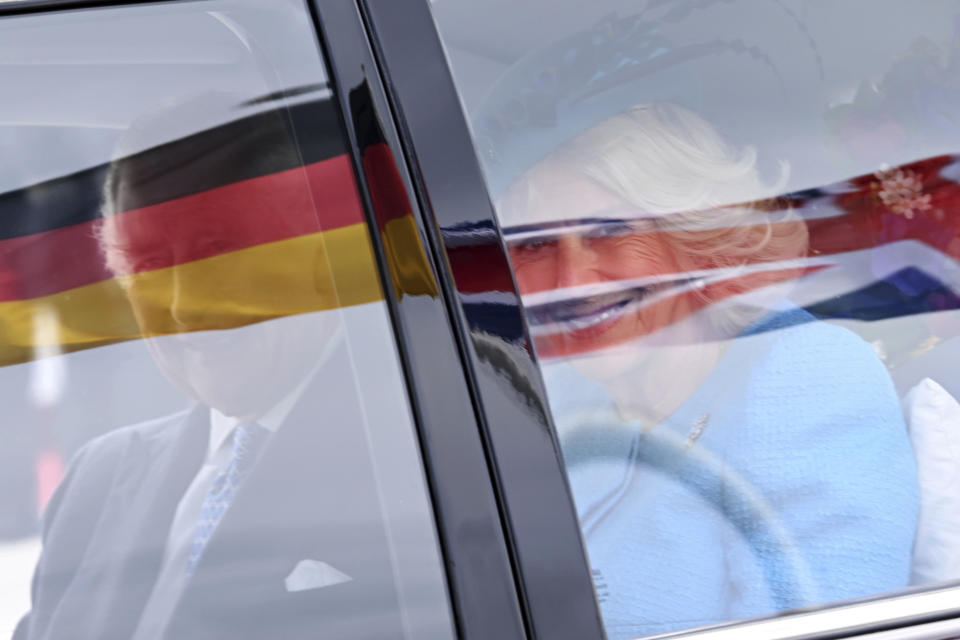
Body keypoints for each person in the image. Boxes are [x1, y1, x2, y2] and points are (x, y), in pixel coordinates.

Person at [496, 103, 919, 639]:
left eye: (608, 230)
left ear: (694, 242)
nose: (572, 278)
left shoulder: (799, 374)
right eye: (534, 243)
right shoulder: (560, 396)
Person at [15, 101, 404, 640]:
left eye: (217, 254)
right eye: (147, 265)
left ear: (324, 259)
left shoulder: (419, 466)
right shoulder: (97, 479)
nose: (181, 308)